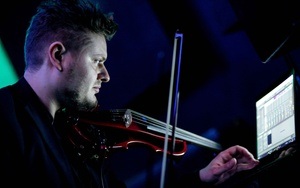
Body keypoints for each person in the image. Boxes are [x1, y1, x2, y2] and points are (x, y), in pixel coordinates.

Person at [0, 0, 259, 187]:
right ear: (58, 56)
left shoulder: (73, 138)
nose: (105, 75)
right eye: (97, 61)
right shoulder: (5, 114)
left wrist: (203, 178)